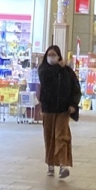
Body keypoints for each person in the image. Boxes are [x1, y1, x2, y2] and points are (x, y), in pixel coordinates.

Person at [36, 45, 82, 179]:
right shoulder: (43, 69)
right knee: (49, 136)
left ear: (59, 56)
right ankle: (50, 164)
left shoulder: (67, 71)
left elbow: (75, 88)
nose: (51, 57)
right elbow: (46, 80)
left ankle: (63, 165)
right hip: (48, 109)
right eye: (49, 55)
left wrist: (73, 104)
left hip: (63, 109)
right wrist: (59, 67)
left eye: (54, 55)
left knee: (61, 136)